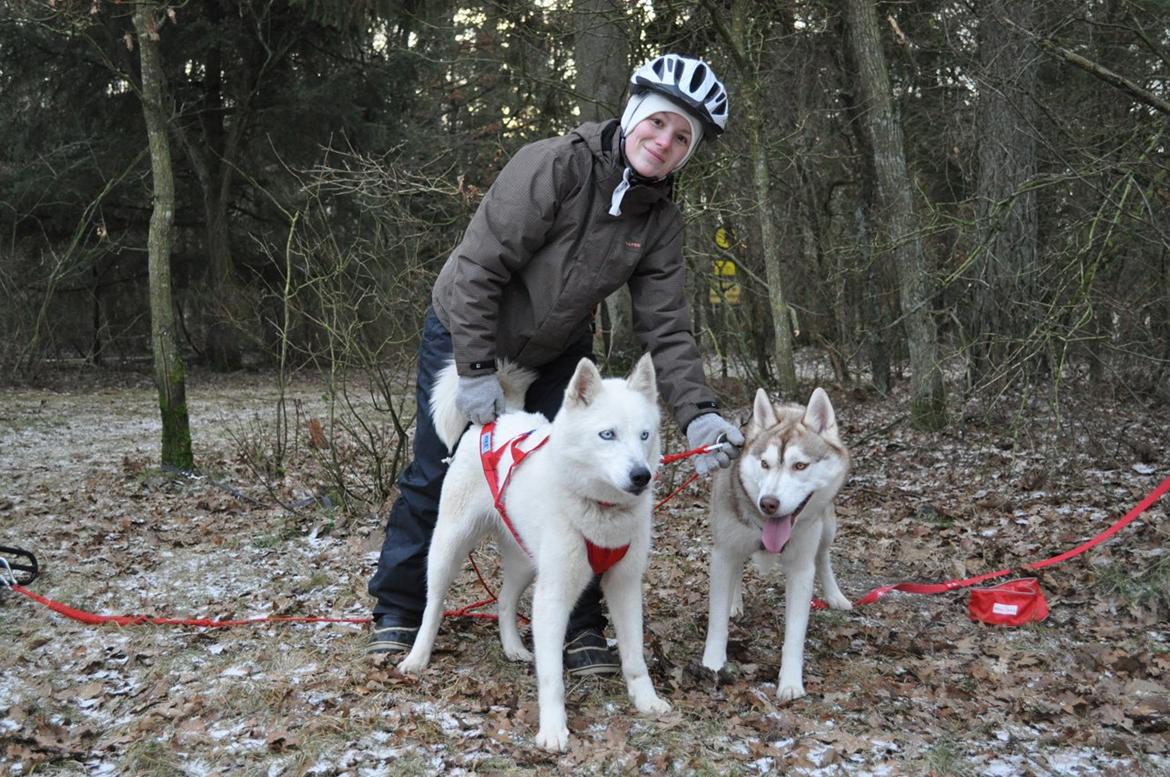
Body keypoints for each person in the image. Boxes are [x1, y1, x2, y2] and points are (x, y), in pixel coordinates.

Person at [367, 53, 745, 676]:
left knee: (574, 484)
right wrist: (475, 370)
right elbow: (478, 268)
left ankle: (576, 625)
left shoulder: (660, 221)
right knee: (440, 469)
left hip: (558, 353)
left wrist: (698, 415)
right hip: (468, 327)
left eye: (683, 138)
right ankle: (400, 608)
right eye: (658, 124)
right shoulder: (556, 166)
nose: (664, 142)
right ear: (633, 116)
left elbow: (667, 325)